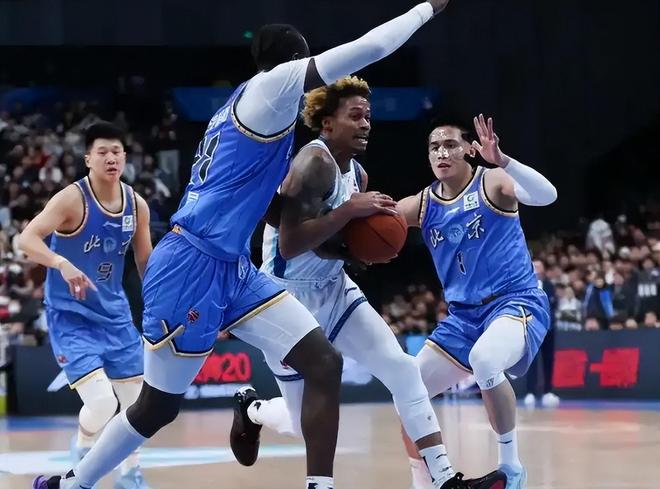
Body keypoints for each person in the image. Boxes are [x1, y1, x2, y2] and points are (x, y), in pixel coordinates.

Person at [33, 2, 454, 489]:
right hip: (190, 263)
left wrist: (339, 238)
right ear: (292, 62)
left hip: (234, 267)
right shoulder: (271, 88)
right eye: (306, 62)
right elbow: (371, 47)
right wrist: (426, 9)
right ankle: (72, 484)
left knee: (324, 362)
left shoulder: (253, 114)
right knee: (157, 407)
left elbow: (264, 204)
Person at [232, 77, 505, 489]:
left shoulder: (356, 174)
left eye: (368, 117)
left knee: (403, 370)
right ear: (327, 124)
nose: (365, 124)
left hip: (334, 289)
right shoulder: (313, 163)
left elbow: (328, 244)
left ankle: (445, 479)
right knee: (301, 423)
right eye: (355, 116)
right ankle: (252, 410)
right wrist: (348, 212)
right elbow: (290, 243)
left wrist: (356, 252)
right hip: (287, 299)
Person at [396, 115, 557, 489]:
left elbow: (547, 195)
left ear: (470, 149)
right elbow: (369, 223)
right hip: (463, 318)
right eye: (434, 147)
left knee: (485, 359)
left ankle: (511, 467)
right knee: (407, 391)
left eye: (450, 144)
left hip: (515, 302)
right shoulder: (422, 204)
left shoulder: (493, 181)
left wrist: (504, 160)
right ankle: (426, 481)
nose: (442, 152)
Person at [19, 121, 153, 489]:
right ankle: (82, 445)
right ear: (88, 159)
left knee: (137, 404)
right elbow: (26, 239)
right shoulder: (71, 199)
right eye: (102, 152)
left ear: (124, 157)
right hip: (71, 316)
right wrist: (61, 263)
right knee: (102, 404)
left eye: (116, 152)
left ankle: (130, 474)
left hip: (116, 315)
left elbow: (146, 263)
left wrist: (165, 304)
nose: (111, 158)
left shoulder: (136, 205)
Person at [524, 260, 560, 408]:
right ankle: (530, 392)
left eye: (539, 266)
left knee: (548, 359)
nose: (537, 268)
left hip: (548, 329)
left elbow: (554, 304)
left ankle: (548, 391)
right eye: (534, 266)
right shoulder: (525, 284)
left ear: (544, 269)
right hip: (532, 329)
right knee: (531, 361)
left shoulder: (550, 286)